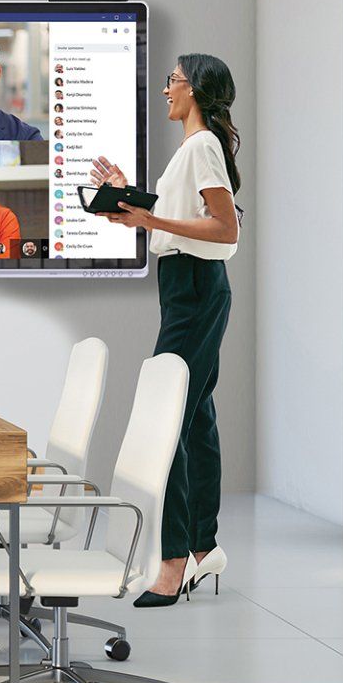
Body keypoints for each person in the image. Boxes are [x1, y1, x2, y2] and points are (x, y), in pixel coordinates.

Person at [89, 53, 242, 608]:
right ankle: (203, 548)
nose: (165, 91)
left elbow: (224, 229)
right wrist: (131, 201)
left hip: (195, 288)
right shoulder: (193, 149)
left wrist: (148, 220)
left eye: (173, 81)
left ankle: (173, 561)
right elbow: (186, 221)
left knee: (169, 418)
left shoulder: (201, 145)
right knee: (195, 416)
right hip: (187, 286)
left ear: (196, 89)